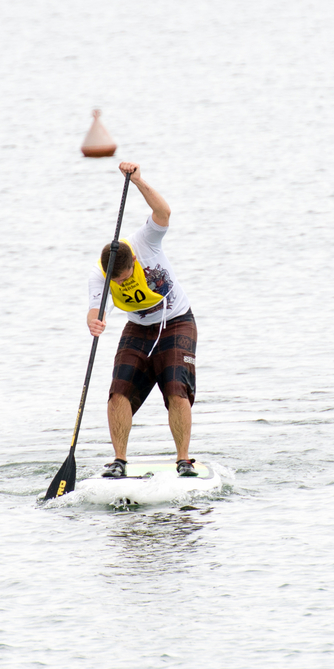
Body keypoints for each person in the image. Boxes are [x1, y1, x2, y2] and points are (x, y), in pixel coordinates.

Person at [87, 161, 198, 478]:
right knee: (118, 392)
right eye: (115, 282)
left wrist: (138, 181)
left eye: (122, 278)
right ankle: (119, 461)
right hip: (138, 328)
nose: (119, 284)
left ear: (132, 260)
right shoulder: (101, 273)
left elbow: (163, 212)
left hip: (176, 321)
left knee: (176, 390)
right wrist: (94, 322)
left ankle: (183, 460)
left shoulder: (145, 241)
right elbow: (95, 310)